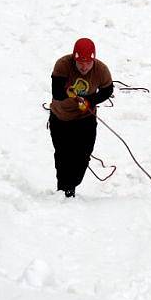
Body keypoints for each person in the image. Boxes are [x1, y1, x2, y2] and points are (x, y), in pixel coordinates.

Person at [48, 37, 113, 197]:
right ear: (74, 58)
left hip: (85, 119)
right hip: (60, 118)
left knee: (83, 155)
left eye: (87, 63)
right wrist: (69, 93)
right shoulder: (63, 64)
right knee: (63, 155)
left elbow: (107, 91)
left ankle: (72, 184)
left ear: (93, 59)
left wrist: (91, 101)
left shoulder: (101, 70)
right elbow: (56, 91)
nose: (84, 66)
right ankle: (64, 190)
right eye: (80, 62)